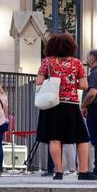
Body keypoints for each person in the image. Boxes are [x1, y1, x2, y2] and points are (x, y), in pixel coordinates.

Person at [35, 32, 94, 181]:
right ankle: (84, 172)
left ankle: (58, 172)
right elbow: (84, 85)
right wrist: (70, 82)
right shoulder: (77, 63)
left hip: (51, 104)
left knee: (55, 139)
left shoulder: (47, 62)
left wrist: (54, 80)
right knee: (82, 138)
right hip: (71, 104)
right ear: (71, 47)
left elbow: (38, 82)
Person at [85, 50, 97, 177]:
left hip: (94, 108)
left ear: (93, 59)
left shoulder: (94, 73)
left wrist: (83, 105)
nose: (87, 60)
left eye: (88, 57)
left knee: (96, 139)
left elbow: (92, 93)